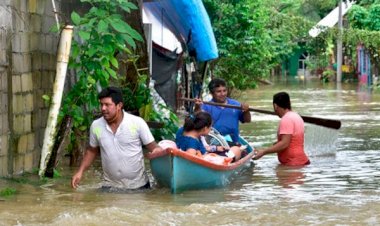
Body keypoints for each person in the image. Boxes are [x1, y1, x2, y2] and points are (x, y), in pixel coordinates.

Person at [71, 87, 162, 190]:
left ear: (119, 106)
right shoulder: (96, 126)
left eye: (107, 105)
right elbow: (92, 151)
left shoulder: (137, 123)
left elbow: (154, 147)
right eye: (101, 104)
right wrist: (80, 172)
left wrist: (156, 154)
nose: (103, 108)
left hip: (139, 187)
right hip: (110, 186)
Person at [253, 92, 310, 166]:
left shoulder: (286, 119)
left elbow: (284, 144)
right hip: (301, 162)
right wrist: (278, 143)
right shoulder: (296, 116)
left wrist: (263, 151)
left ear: (275, 106)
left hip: (293, 164)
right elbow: (294, 140)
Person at [194, 78, 251, 146]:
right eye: (218, 91)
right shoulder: (206, 106)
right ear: (212, 93)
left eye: (224, 91)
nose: (222, 94)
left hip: (233, 141)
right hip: (213, 142)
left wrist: (246, 111)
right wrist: (197, 107)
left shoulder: (235, 104)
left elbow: (247, 120)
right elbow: (197, 118)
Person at [175, 111, 242, 161]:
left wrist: (215, 148)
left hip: (205, 154)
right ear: (205, 128)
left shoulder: (181, 130)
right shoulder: (192, 142)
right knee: (236, 149)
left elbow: (197, 148)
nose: (210, 130)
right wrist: (203, 156)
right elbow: (190, 157)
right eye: (210, 127)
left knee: (232, 149)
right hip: (207, 160)